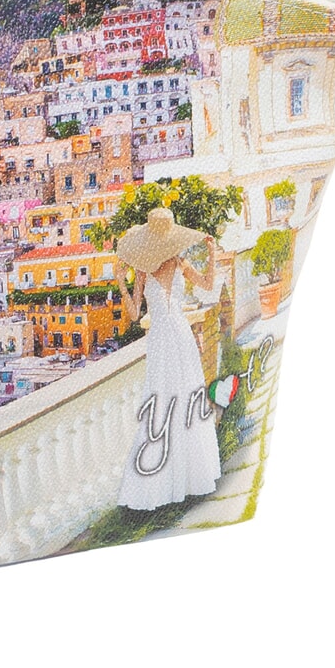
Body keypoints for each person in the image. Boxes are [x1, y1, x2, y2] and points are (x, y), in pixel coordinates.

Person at [115, 205, 224, 510]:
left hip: (178, 335)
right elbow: (134, 314)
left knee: (186, 397)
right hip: (162, 340)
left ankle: (189, 476)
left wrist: (212, 255)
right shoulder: (143, 271)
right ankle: (167, 479)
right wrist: (121, 281)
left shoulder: (179, 262)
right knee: (162, 400)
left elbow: (207, 285)